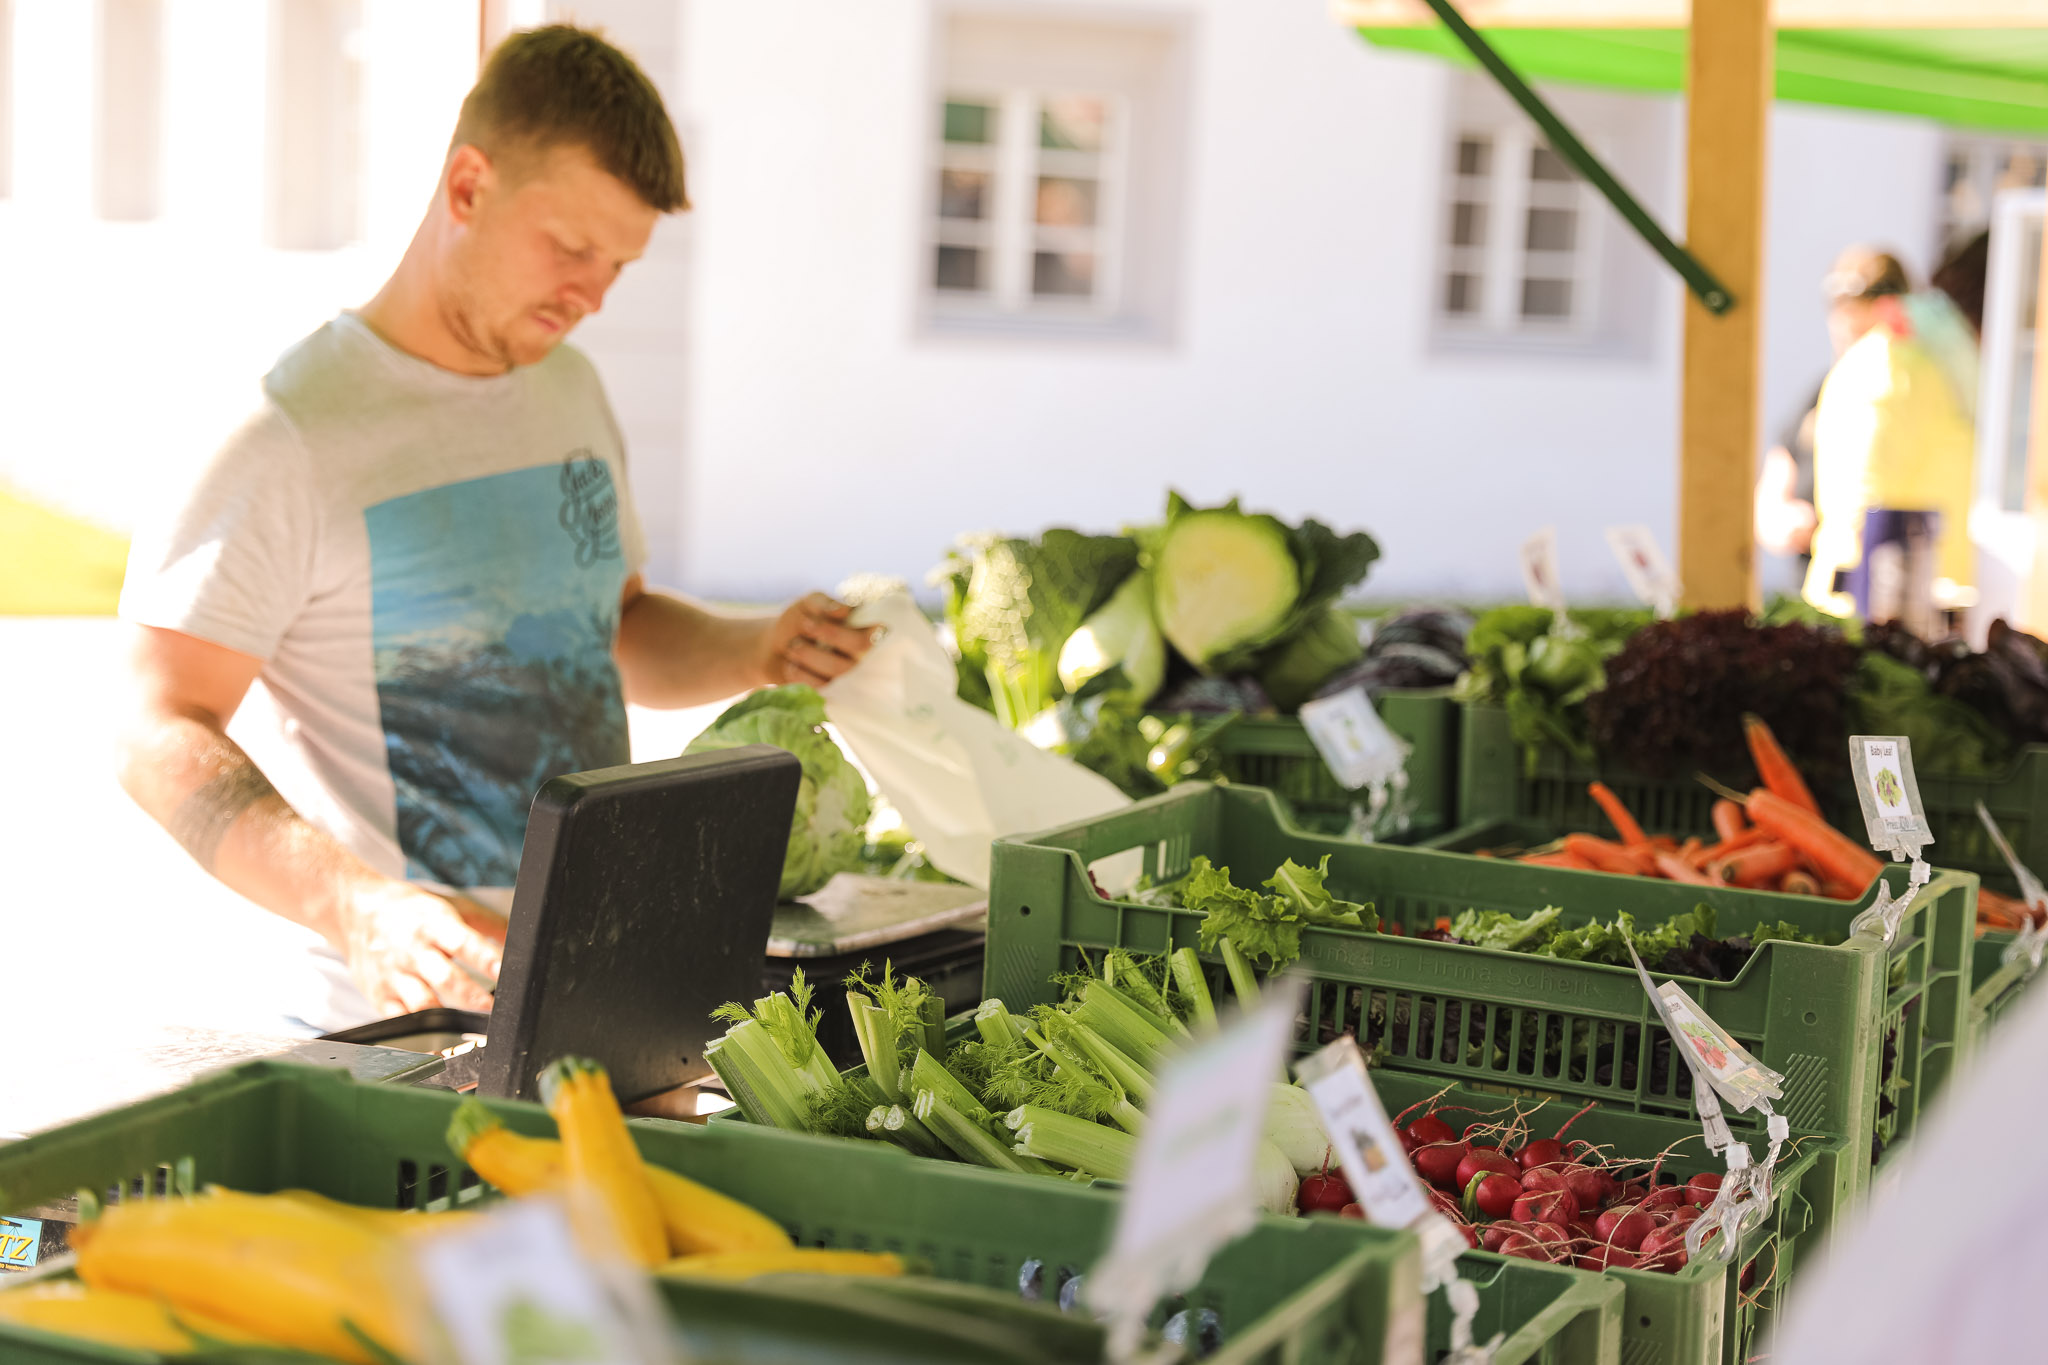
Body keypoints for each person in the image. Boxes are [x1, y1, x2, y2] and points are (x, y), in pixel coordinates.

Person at [114, 27, 875, 1032]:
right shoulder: (286, 433)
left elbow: (612, 627)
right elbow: (154, 728)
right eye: (571, 248)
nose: (594, 295)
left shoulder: (568, 387)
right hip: (396, 1024)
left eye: (619, 264)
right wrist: (354, 906)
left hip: (610, 989)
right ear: (468, 186)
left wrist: (757, 646)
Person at [1802, 245, 1979, 632]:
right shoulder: (1910, 363)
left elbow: (1865, 498)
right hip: (1908, 600)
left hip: (1875, 602)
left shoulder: (1880, 368)